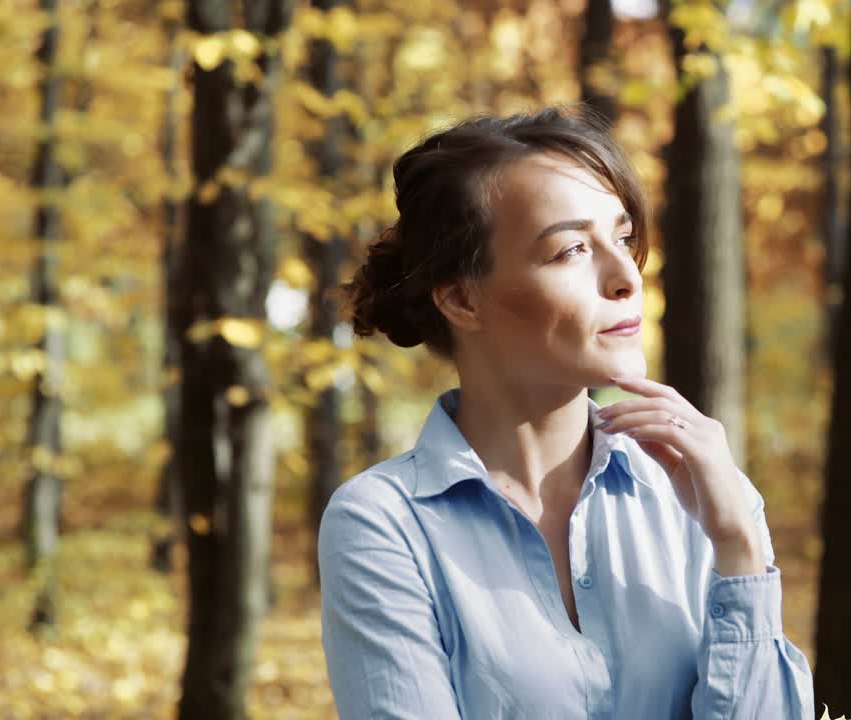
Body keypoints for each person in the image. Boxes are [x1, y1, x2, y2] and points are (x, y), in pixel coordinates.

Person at [318, 106, 814, 719]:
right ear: (461, 297)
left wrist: (738, 546)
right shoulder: (384, 525)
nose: (625, 275)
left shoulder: (705, 496)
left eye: (624, 238)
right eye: (571, 249)